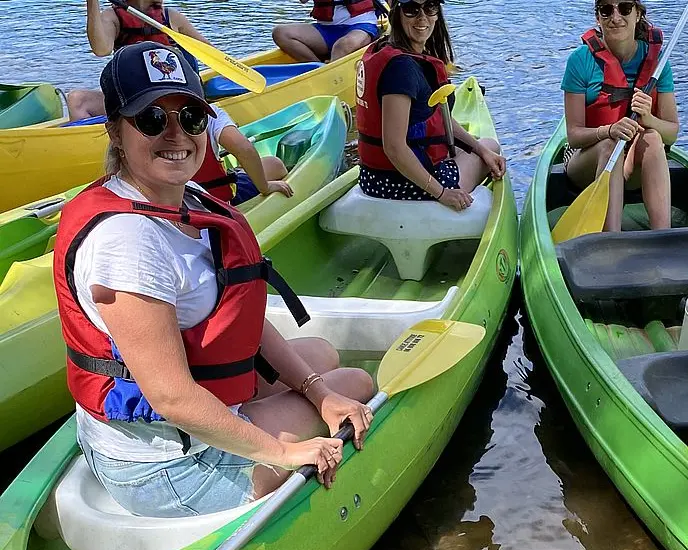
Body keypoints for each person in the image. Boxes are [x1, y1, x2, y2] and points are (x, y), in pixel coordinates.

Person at [53, 42, 375, 518]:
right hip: (164, 466)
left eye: (191, 116)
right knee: (358, 380)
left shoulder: (188, 197)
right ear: (115, 132)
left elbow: (236, 311)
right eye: (151, 119)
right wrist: (285, 454)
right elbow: (170, 396)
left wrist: (316, 391)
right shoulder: (128, 241)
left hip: (183, 418)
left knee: (323, 359)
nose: (176, 133)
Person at [354, 0, 505, 212]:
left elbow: (438, 118)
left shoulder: (385, 48)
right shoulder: (401, 68)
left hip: (374, 176)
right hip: (396, 184)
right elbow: (394, 147)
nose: (422, 17)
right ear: (396, 14)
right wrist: (442, 193)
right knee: (492, 145)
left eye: (430, 7)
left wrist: (478, 149)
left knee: (484, 149)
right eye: (411, 9)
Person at [561, 0, 678, 232]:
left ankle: (663, 236)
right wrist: (609, 130)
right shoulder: (579, 61)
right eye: (606, 10)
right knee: (610, 145)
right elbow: (573, 136)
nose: (615, 17)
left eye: (624, 8)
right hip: (586, 158)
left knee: (654, 138)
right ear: (598, 18)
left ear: (637, 15)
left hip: (630, 164)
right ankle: (611, 239)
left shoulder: (658, 62)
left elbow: (672, 133)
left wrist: (649, 119)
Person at [68, 0, 206, 120]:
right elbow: (101, 49)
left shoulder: (171, 17)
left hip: (171, 98)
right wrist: (92, 3)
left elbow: (208, 51)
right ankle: (107, 137)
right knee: (77, 100)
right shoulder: (113, 17)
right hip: (131, 99)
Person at [202, 102, 294, 206]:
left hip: (185, 206)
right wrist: (265, 187)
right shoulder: (209, 113)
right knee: (274, 164)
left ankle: (239, 170)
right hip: (217, 204)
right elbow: (244, 148)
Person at [272, 0, 380, 63]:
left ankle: (332, 76)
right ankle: (317, 67)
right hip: (325, 29)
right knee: (280, 33)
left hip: (361, 25)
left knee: (341, 46)